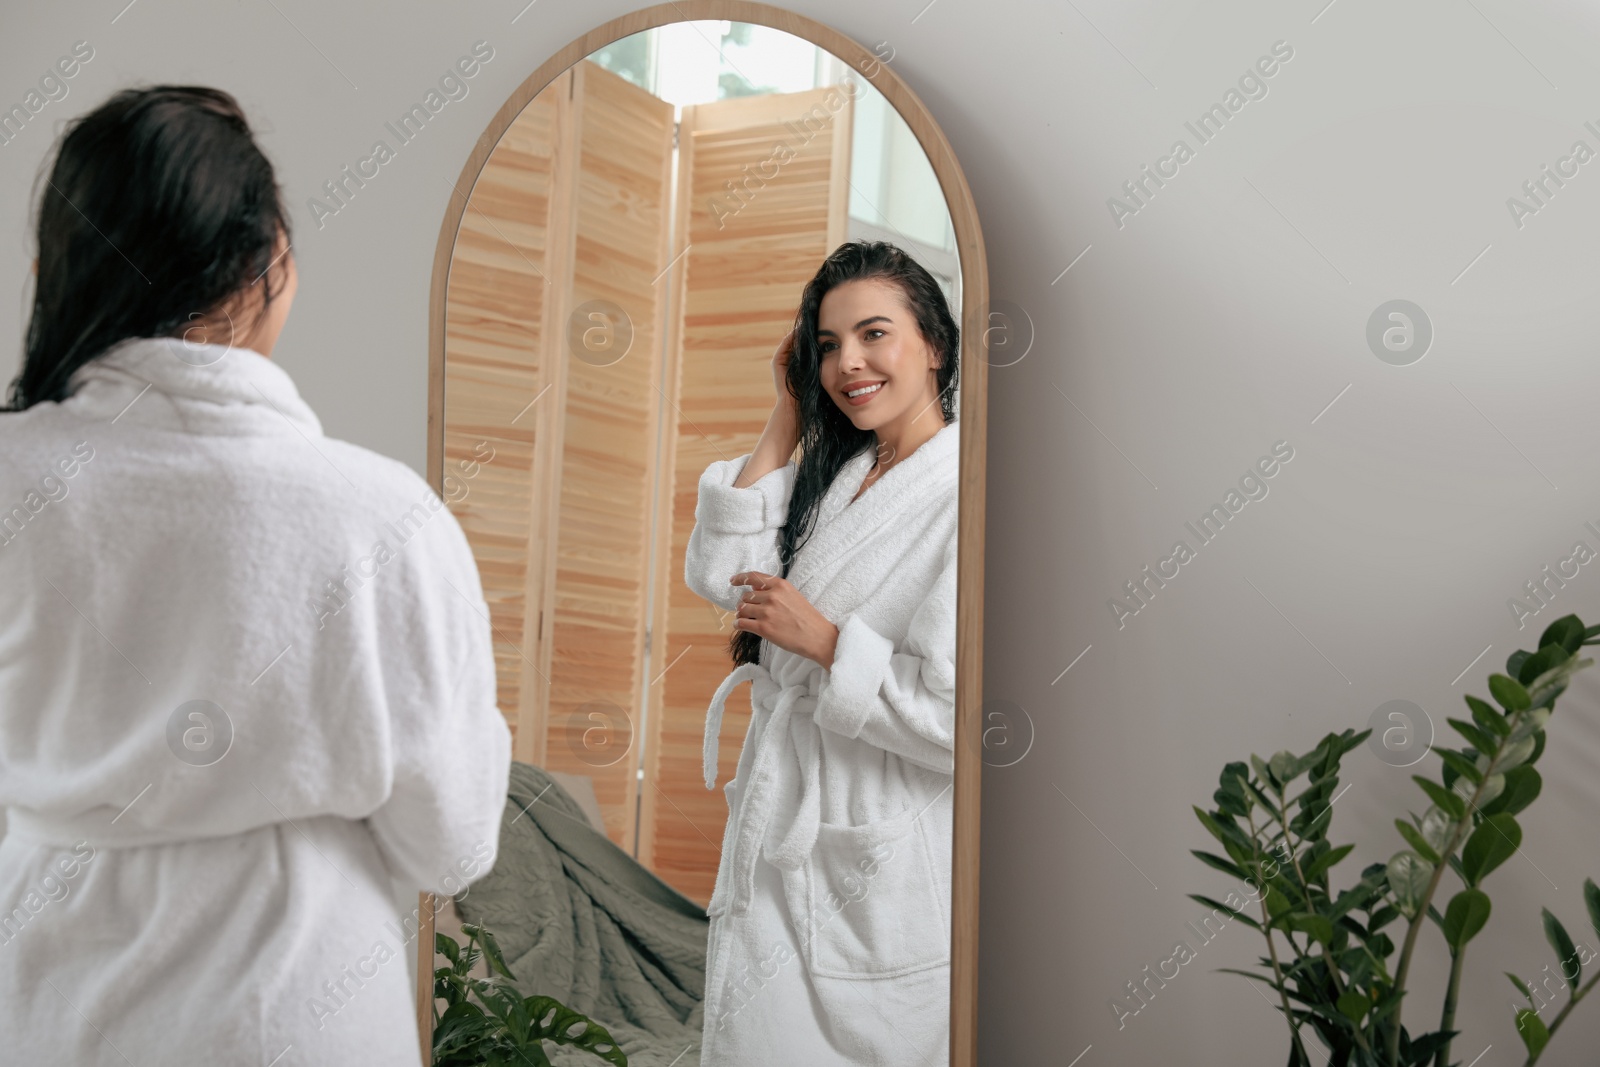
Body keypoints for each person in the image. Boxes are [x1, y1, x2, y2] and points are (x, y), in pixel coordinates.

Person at [0, 86, 510, 1064]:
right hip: (294, 1011)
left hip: (44, 1002)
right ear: (266, 266)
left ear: (54, 271)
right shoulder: (383, 515)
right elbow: (450, 842)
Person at [684, 240, 960, 1066]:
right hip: (783, 820)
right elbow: (724, 578)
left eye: (875, 334)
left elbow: (954, 717)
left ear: (934, 346)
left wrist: (829, 644)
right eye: (829, 345)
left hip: (867, 851)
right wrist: (789, 410)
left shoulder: (966, 492)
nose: (850, 363)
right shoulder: (848, 475)